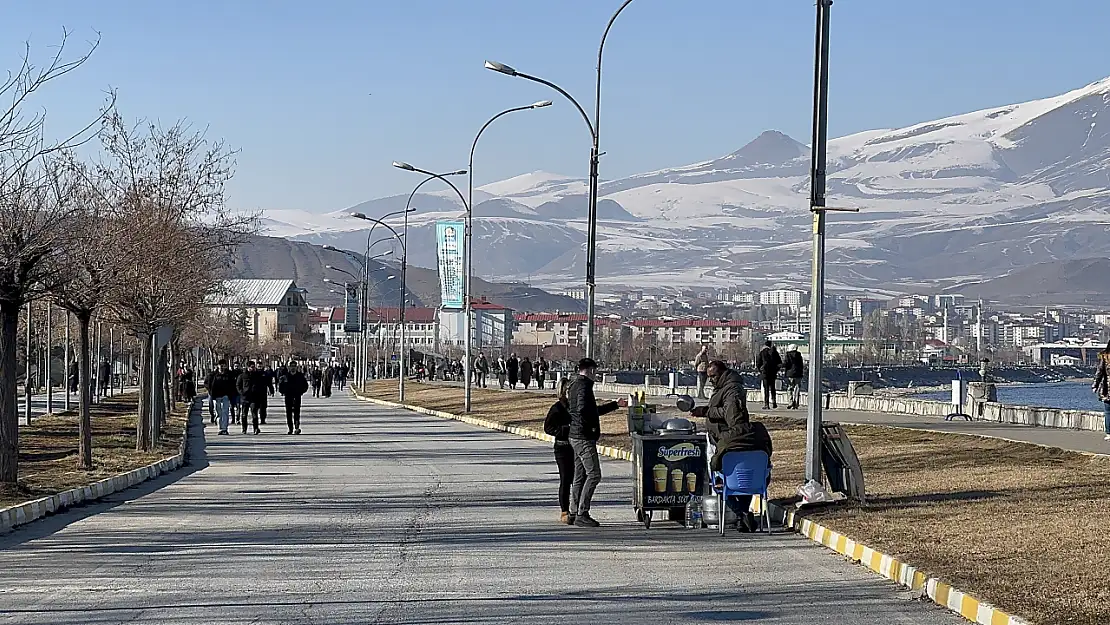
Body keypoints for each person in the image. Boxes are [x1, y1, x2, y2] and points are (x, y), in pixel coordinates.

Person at [690, 359, 772, 533]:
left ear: (721, 373)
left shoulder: (732, 389)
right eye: (708, 376)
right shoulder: (724, 387)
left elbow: (731, 416)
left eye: (712, 376)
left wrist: (707, 412)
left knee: (722, 479)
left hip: (729, 441)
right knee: (742, 479)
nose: (710, 379)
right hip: (724, 439)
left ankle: (742, 513)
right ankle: (743, 517)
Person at [566, 358, 620, 528]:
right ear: (589, 370)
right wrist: (590, 428)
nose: (596, 375)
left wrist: (614, 405)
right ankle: (582, 512)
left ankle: (573, 512)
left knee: (580, 476)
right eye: (595, 372)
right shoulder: (584, 386)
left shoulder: (574, 385)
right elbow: (584, 411)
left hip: (575, 435)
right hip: (583, 437)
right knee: (594, 474)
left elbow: (590, 410)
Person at [544, 378, 576, 525]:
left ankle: (577, 509)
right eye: (568, 390)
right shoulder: (557, 408)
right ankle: (564, 510)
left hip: (576, 447)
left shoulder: (576, 406)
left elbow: (594, 411)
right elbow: (547, 428)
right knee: (565, 479)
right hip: (562, 448)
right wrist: (562, 430)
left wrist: (615, 405)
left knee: (577, 479)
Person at [236, 361, 271, 435]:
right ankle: (244, 428)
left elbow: (262, 385)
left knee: (254, 414)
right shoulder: (242, 376)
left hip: (254, 398)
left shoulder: (257, 375)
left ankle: (256, 428)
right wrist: (242, 392)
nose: (253, 368)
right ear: (248, 367)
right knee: (244, 415)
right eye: (252, 367)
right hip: (245, 398)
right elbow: (238, 385)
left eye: (254, 367)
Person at [206, 359, 237, 435]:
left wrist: (232, 395)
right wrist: (210, 391)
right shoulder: (213, 375)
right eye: (221, 365)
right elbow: (207, 383)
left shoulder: (229, 374)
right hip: (216, 396)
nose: (222, 367)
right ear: (218, 366)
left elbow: (233, 385)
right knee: (218, 412)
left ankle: (224, 428)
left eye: (224, 365)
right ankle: (220, 426)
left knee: (225, 412)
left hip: (226, 396)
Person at [279, 361, 310, 434]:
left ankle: (297, 427)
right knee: (289, 413)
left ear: (296, 367)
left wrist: (301, 392)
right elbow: (281, 386)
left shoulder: (300, 376)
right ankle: (290, 428)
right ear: (289, 367)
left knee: (297, 412)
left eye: (294, 366)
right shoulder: (285, 376)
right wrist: (283, 392)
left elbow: (305, 385)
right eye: (291, 366)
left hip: (297, 396)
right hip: (288, 396)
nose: (293, 367)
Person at [756, 340, 783, 409]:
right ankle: (774, 402)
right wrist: (776, 370)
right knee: (773, 388)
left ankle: (766, 404)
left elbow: (758, 363)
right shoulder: (774, 352)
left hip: (765, 373)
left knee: (766, 389)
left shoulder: (762, 352)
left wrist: (761, 371)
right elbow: (779, 363)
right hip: (773, 373)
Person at [1094, 341, 1110, 441]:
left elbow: (1099, 372)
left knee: (1108, 412)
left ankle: (1109, 433)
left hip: (1107, 389)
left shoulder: (1105, 357)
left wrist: (1095, 385)